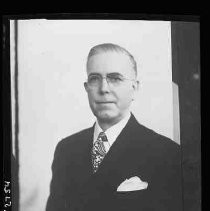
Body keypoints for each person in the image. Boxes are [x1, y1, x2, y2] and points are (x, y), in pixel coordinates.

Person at [46, 43, 182, 211]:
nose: (103, 89)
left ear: (134, 88)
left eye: (115, 78)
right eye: (95, 79)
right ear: (86, 88)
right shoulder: (66, 149)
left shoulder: (167, 153)